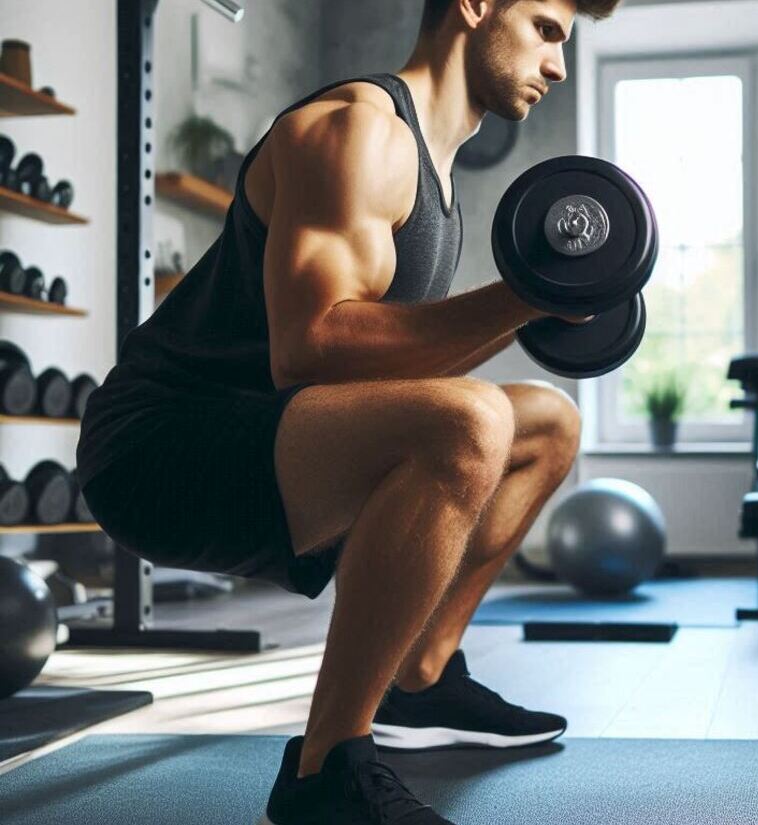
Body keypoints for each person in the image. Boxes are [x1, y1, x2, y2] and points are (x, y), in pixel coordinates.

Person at [76, 0, 622, 822]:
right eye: (546, 29)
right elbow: (313, 344)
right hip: (160, 447)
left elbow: (394, 358)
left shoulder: (437, 169)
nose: (559, 66)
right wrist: (521, 297)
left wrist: (528, 303)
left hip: (269, 436)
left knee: (547, 421)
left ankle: (423, 680)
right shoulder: (357, 133)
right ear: (474, 6)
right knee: (470, 420)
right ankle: (323, 772)